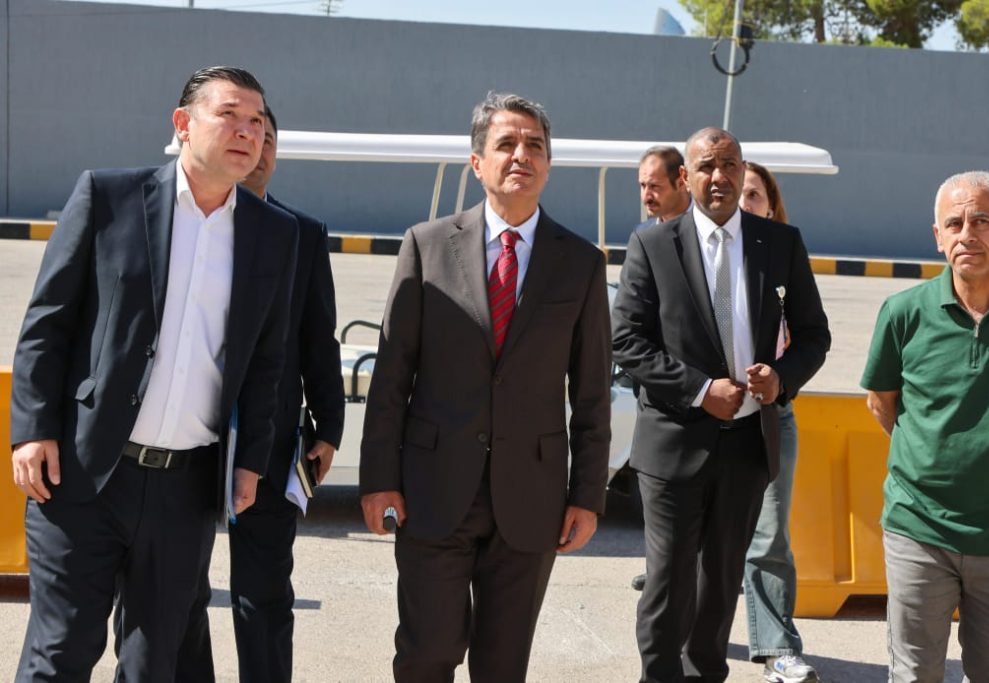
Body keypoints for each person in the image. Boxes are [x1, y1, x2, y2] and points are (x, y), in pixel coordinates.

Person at [9, 66, 298, 681]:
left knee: (153, 666)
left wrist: (250, 461)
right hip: (83, 475)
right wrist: (32, 430)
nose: (247, 131)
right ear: (183, 123)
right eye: (229, 115)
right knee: (59, 654)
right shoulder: (108, 197)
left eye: (256, 121)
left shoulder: (274, 234)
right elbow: (47, 323)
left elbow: (266, 360)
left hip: (185, 491)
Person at [359, 91, 611, 682]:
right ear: (477, 163)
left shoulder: (581, 263)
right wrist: (378, 479)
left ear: (548, 163)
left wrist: (587, 495)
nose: (522, 155)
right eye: (506, 143)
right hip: (433, 492)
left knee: (502, 666)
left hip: (532, 499)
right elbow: (392, 376)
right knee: (426, 653)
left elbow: (592, 393)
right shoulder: (426, 246)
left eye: (535, 145)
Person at [612, 126, 830, 682]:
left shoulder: (779, 243)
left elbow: (814, 335)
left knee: (721, 580)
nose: (719, 176)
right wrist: (700, 390)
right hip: (673, 445)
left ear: (742, 172)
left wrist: (781, 378)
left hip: (748, 447)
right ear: (686, 177)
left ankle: (707, 673)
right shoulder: (653, 244)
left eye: (730, 165)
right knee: (669, 582)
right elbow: (626, 341)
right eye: (707, 166)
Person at [177, 107, 345, 683]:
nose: (258, 148)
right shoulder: (185, 225)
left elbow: (317, 337)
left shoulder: (302, 233)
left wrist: (329, 426)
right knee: (178, 587)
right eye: (248, 134)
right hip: (186, 437)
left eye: (269, 139)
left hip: (270, 441)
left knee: (265, 593)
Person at [862, 170, 989, 682]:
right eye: (954, 224)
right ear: (938, 236)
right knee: (914, 673)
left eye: (982, 221)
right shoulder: (903, 313)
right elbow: (882, 403)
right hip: (918, 528)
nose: (967, 235)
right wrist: (931, 454)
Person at [739, 161, 819, 682]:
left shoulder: (783, 254)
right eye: (738, 193)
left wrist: (781, 377)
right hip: (703, 417)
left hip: (771, 415)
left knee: (768, 535)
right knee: (696, 537)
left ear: (770, 206)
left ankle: (777, 648)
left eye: (754, 194)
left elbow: (813, 336)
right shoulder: (690, 252)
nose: (743, 202)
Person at [629, 144, 691, 593]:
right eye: (642, 186)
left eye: (655, 185)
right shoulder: (643, 237)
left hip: (701, 394)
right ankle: (659, 572)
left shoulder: (704, 238)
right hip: (655, 389)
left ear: (681, 181)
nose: (647, 194)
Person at [638, 145, 691, 225]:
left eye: (654, 186)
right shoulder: (643, 232)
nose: (646, 196)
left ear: (681, 183)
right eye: (643, 185)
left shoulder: (707, 226)